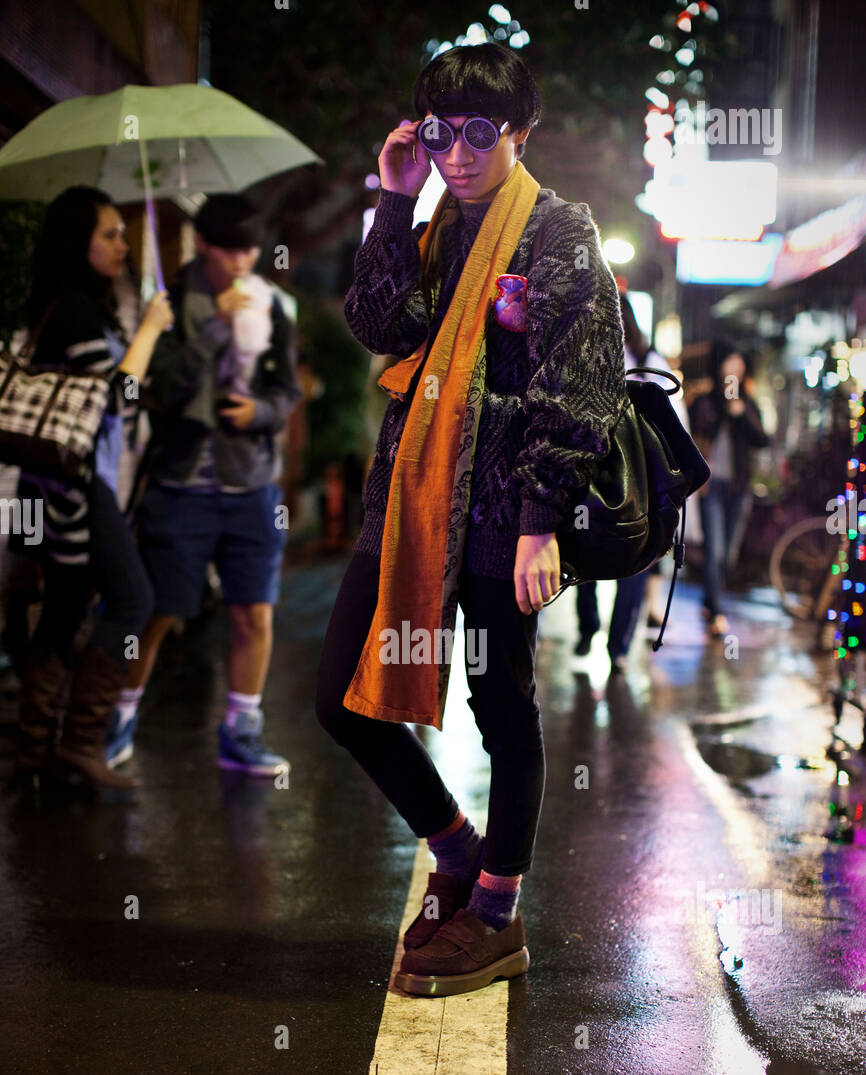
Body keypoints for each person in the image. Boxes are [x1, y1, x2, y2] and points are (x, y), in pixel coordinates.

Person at [315, 43, 626, 996]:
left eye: (479, 135)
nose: (456, 154)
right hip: (409, 501)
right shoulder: (434, 219)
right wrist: (389, 198)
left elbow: (585, 383)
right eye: (440, 133)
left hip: (500, 512)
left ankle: (494, 912)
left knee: (502, 709)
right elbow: (377, 323)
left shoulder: (560, 232)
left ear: (520, 134)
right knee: (341, 699)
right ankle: (455, 851)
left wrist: (541, 522)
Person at [106, 194, 302, 775]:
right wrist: (217, 326)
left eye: (250, 250)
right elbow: (159, 386)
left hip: (252, 485)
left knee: (254, 613)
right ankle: (117, 718)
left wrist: (260, 415)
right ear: (203, 245)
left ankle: (241, 732)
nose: (243, 262)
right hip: (180, 480)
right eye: (230, 251)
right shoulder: (166, 304)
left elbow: (287, 392)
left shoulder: (274, 306)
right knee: (158, 610)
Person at [12, 185, 173, 792]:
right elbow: (115, 399)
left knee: (64, 606)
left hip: (46, 480)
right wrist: (151, 331)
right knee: (131, 598)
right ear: (76, 243)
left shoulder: (71, 304)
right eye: (107, 234)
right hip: (72, 484)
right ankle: (81, 742)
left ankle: (35, 750)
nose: (119, 244)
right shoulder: (77, 308)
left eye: (118, 233)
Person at [573, 292, 689, 672]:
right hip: (616, 478)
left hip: (616, 478)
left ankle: (606, 640)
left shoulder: (639, 363)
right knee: (611, 561)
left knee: (608, 559)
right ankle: (604, 638)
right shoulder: (621, 361)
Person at [689, 340, 771, 636]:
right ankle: (717, 611)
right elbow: (693, 438)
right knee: (715, 551)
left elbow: (763, 440)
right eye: (729, 362)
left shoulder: (747, 405)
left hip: (738, 488)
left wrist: (741, 414)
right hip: (712, 486)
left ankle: (710, 601)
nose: (734, 368)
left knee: (728, 554)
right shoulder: (706, 402)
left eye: (739, 363)